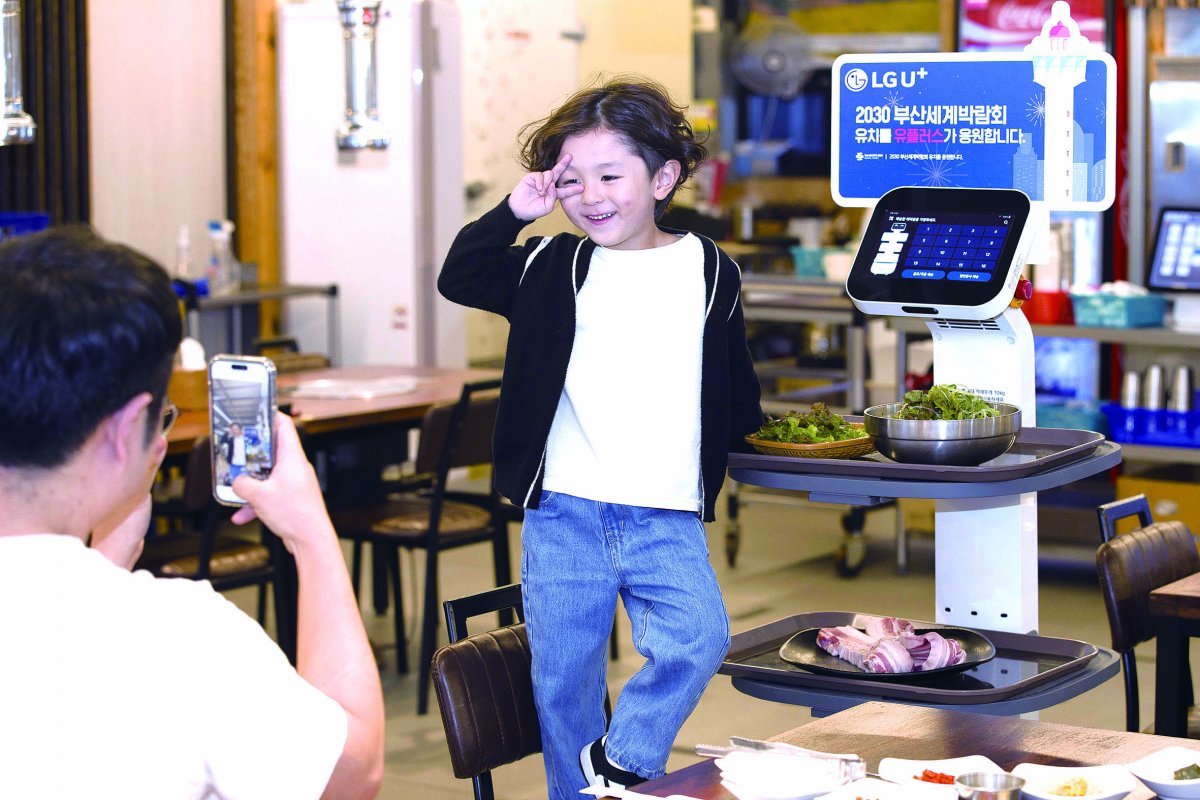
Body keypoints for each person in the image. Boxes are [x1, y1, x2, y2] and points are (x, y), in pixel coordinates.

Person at [438, 77, 763, 798]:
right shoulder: (551, 264)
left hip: (663, 511)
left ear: (663, 178)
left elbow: (734, 381)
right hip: (564, 509)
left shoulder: (710, 269)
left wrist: (765, 448)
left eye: (610, 176)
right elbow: (461, 275)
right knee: (563, 685)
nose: (590, 196)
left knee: (697, 640)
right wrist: (515, 212)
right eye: (571, 180)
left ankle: (624, 759)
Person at [0, 227, 384, 799]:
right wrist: (310, 534)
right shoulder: (180, 636)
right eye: (162, 417)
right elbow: (353, 772)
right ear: (126, 429)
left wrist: (106, 556)